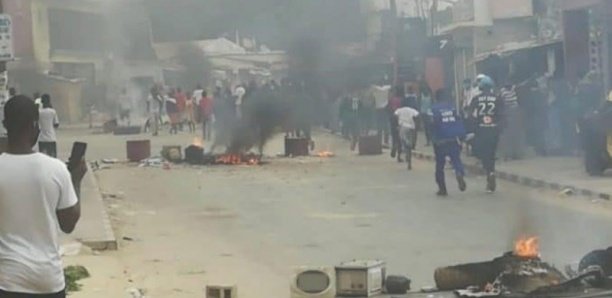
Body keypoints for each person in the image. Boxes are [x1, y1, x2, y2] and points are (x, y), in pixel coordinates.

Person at [0, 95, 86, 298]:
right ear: (35, 125)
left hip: (7, 281)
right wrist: (76, 181)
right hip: (48, 281)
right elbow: (68, 224)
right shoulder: (55, 169)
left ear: (5, 125)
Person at [468, 76, 504, 193]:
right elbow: (502, 115)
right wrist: (498, 127)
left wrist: (474, 126)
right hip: (493, 131)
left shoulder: (476, 99)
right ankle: (491, 172)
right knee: (492, 153)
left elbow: (471, 114)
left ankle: (489, 173)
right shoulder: (497, 98)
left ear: (481, 87)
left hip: (481, 130)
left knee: (484, 154)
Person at [431, 89, 467, 196]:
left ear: (436, 98)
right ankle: (459, 173)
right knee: (456, 160)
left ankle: (442, 189)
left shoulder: (434, 109)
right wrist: (462, 136)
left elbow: (431, 124)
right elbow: (459, 121)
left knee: (440, 165)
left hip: (440, 140)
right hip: (453, 139)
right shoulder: (452, 108)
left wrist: (433, 139)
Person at [499, 82, 523, 160]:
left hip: (514, 112)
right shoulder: (502, 91)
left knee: (515, 134)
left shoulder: (514, 88)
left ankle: (516, 154)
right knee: (508, 135)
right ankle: (508, 155)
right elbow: (501, 101)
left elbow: (522, 85)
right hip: (508, 112)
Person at [394, 99, 420, 169]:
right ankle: (409, 160)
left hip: (403, 127)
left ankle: (404, 150)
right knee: (410, 144)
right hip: (411, 128)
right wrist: (416, 125)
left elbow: (395, 115)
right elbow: (417, 115)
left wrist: (397, 123)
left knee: (402, 141)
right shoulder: (412, 110)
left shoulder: (399, 110)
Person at [388, 86, 403, 160]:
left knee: (394, 136)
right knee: (400, 138)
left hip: (392, 119)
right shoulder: (401, 100)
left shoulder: (391, 100)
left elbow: (388, 109)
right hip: (399, 119)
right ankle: (399, 156)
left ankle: (394, 146)